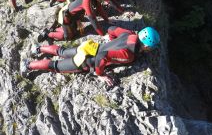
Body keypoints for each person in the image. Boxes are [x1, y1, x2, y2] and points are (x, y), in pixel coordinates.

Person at [21, 26, 160, 86]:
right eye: (151, 47)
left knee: (62, 51)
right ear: (147, 46)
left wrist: (111, 40)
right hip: (85, 61)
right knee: (55, 66)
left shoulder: (130, 33)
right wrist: (100, 75)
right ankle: (28, 65)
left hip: (89, 47)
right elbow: (103, 57)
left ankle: (38, 48)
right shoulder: (128, 54)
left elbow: (112, 30)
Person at [39, 0, 112, 42]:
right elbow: (92, 19)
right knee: (68, 37)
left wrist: (107, 20)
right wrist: (103, 35)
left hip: (75, 16)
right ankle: (48, 33)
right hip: (66, 16)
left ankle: (59, 28)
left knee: (75, 32)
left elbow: (99, 8)